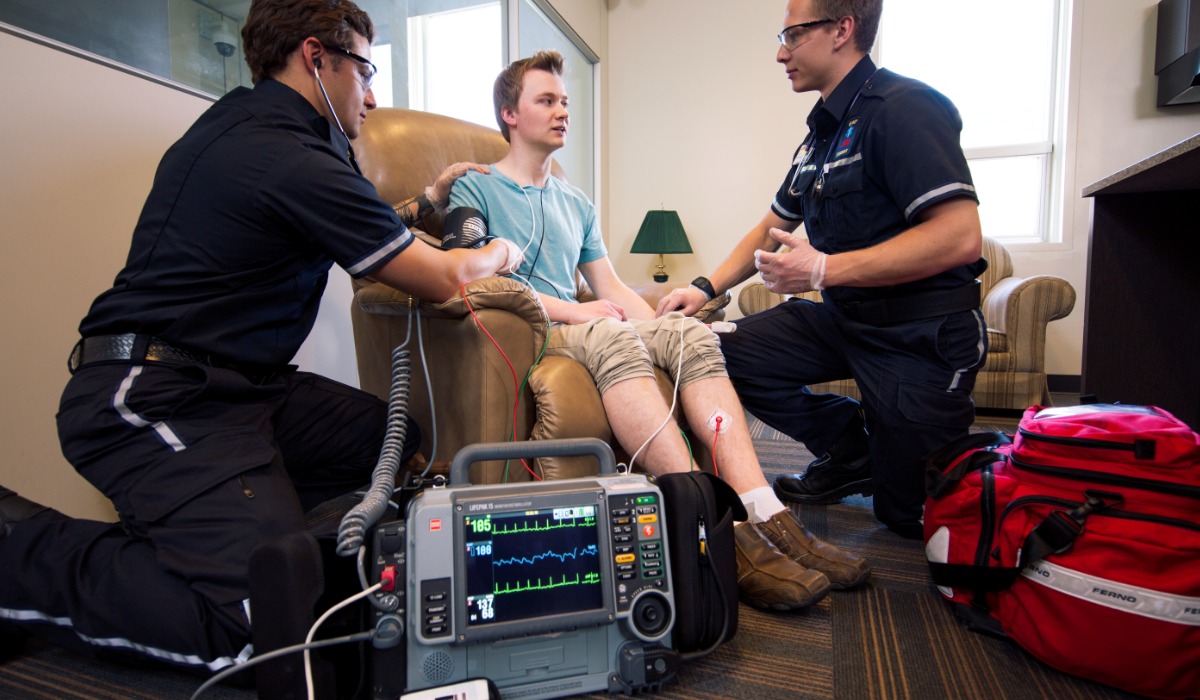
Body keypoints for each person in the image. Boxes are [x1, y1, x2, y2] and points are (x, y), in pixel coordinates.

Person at [0, 0, 521, 673]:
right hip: (151, 395)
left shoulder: (270, 134)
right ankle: (18, 552)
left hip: (243, 391)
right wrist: (503, 253)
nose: (372, 92)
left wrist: (425, 203)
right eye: (364, 69)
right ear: (315, 56)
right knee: (261, 626)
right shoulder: (281, 152)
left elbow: (351, 221)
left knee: (382, 443)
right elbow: (447, 278)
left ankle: (225, 540)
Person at [449, 50, 870, 613]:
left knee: (691, 335)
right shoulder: (474, 191)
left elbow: (612, 286)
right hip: (539, 327)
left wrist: (666, 325)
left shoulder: (576, 202)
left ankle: (766, 512)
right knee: (613, 334)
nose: (561, 112)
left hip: (585, 319)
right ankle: (711, 520)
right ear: (510, 114)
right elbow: (474, 279)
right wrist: (579, 311)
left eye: (565, 102)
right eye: (545, 101)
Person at [656, 0, 988, 540]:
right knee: (714, 349)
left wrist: (823, 269)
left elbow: (958, 235)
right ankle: (850, 447)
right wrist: (704, 287)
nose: (780, 52)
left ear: (842, 30)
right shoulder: (821, 135)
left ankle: (894, 450)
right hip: (845, 318)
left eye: (792, 35)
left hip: (919, 333)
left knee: (905, 515)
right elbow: (771, 225)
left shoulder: (905, 108)